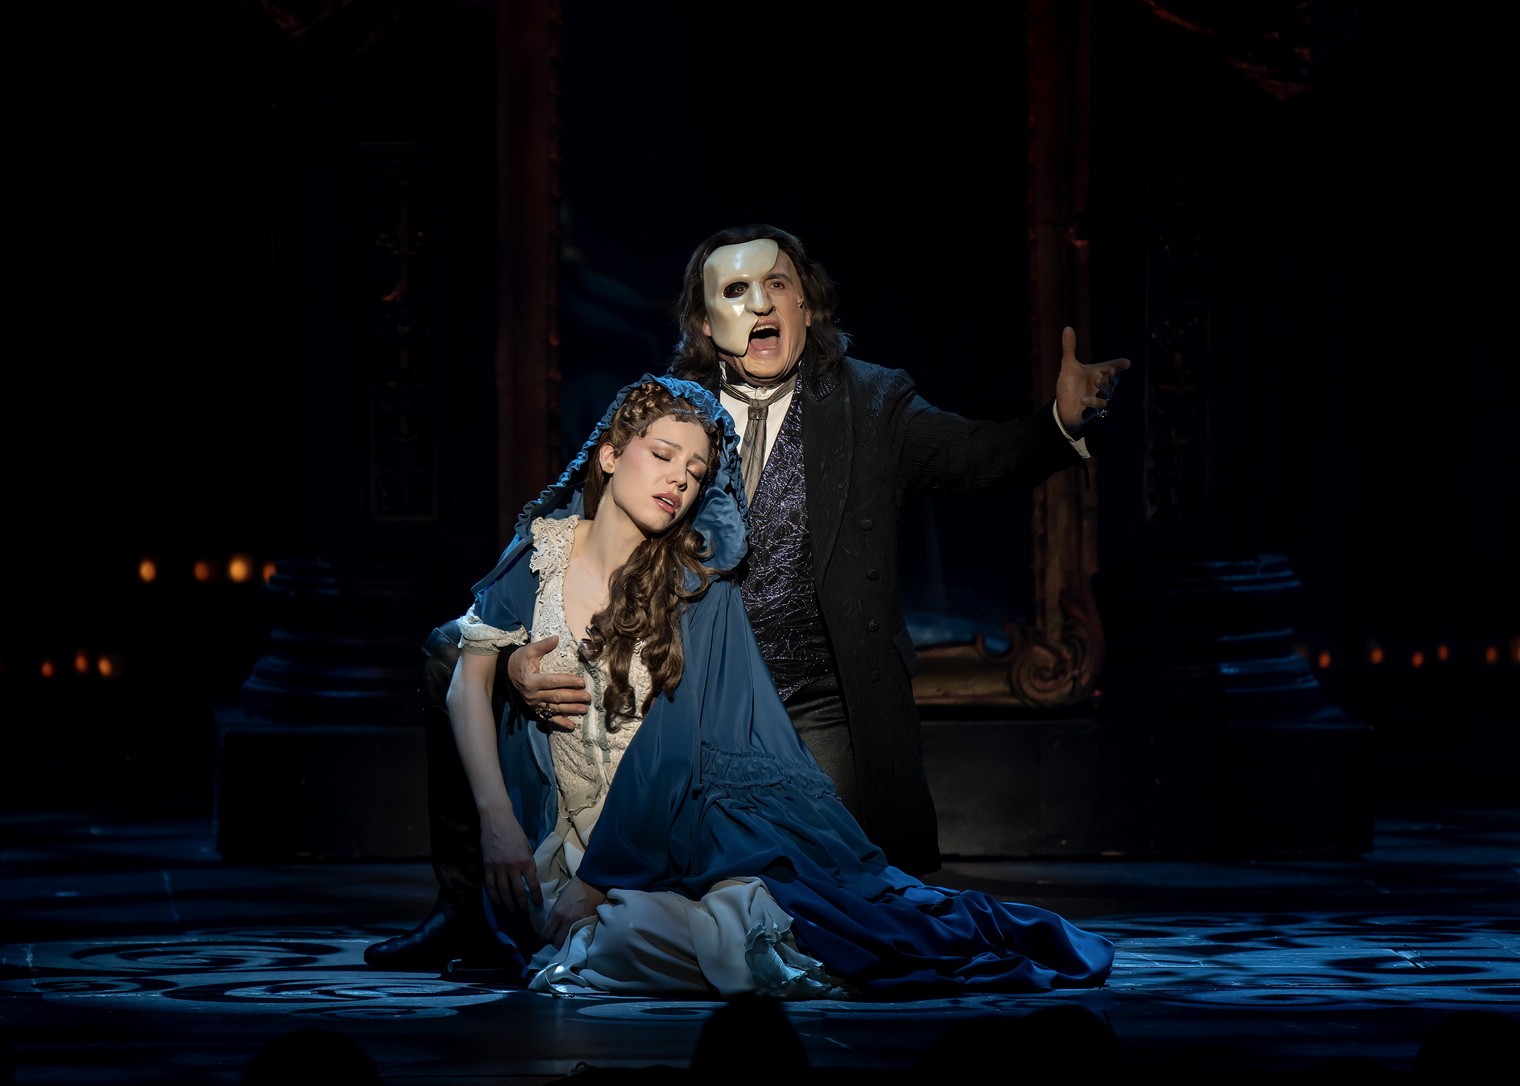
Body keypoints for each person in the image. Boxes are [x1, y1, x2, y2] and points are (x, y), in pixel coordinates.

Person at [365, 223, 1129, 972]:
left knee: (828, 902)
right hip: (677, 683)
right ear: (704, 320)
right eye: (736, 290)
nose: (761, 302)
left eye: (778, 285)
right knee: (449, 656)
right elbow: (577, 520)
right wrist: (514, 663)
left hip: (812, 697)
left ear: (807, 307)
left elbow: (975, 456)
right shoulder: (675, 408)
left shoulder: (871, 402)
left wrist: (1057, 424)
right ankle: (468, 906)